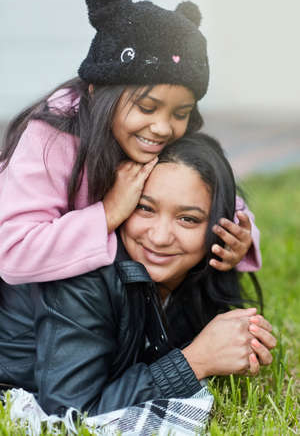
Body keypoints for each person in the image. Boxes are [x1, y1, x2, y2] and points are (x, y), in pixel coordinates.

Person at [0, 133, 276, 421]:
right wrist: (196, 361)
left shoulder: (203, 265)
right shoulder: (84, 273)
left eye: (188, 219)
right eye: (145, 208)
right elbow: (69, 412)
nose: (159, 237)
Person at [0, 0, 261, 286]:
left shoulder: (166, 138)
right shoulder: (52, 139)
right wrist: (108, 213)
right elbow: (14, 252)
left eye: (180, 113)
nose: (163, 128)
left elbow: (221, 199)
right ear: (98, 93)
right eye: (147, 107)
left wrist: (241, 237)